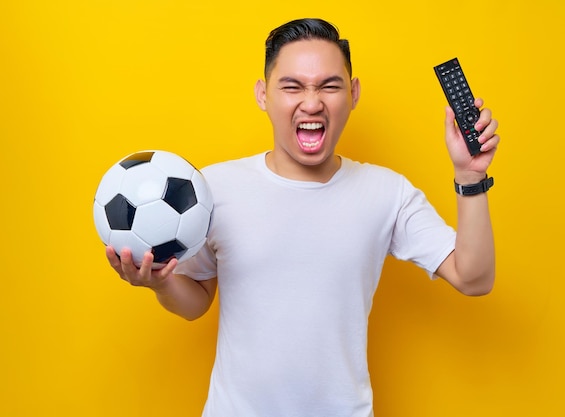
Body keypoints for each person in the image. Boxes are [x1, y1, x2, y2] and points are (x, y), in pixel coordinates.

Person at [106, 17, 500, 417]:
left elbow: (474, 277)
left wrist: (470, 177)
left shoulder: (387, 192)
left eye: (329, 86)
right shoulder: (211, 189)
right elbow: (196, 303)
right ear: (263, 94)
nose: (312, 103)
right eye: (292, 86)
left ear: (354, 92)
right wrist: (161, 284)